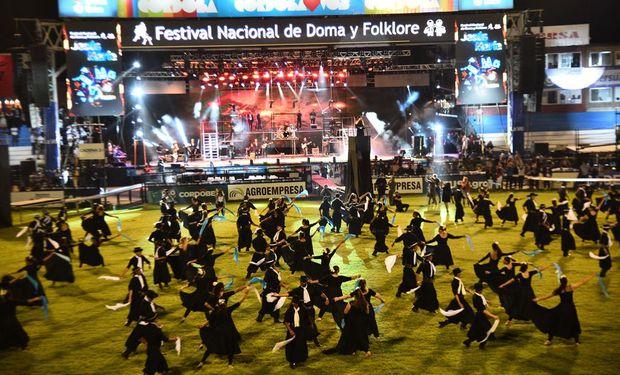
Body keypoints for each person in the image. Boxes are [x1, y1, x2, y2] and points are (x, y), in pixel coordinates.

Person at [531, 273, 596, 346]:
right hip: (570, 308)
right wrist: (591, 276)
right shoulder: (570, 287)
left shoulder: (559, 290)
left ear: (560, 281)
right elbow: (582, 281)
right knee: (573, 322)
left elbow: (547, 296)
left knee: (554, 322)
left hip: (561, 308)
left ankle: (549, 340)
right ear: (566, 281)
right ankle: (577, 341)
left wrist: (537, 299)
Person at [197, 286, 250, 368]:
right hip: (228, 332)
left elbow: (210, 320)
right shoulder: (228, 310)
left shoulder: (215, 312)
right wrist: (246, 294)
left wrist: (203, 325)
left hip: (218, 332)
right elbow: (239, 303)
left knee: (211, 347)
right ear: (224, 305)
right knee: (231, 348)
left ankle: (201, 362)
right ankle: (230, 364)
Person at [463, 283, 499, 349]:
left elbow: (474, 293)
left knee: (478, 330)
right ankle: (482, 345)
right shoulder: (477, 298)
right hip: (480, 316)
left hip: (479, 316)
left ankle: (468, 341)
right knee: (487, 330)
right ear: (480, 289)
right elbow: (483, 310)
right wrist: (493, 316)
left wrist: (486, 301)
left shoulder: (477, 295)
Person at [283, 296, 309, 369]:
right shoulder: (289, 311)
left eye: (294, 303)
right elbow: (286, 322)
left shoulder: (303, 310)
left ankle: (300, 358)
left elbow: (307, 320)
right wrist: (290, 330)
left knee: (300, 345)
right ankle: (293, 361)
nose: (293, 304)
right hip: (292, 330)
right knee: (292, 346)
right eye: (293, 303)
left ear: (298, 303)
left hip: (301, 330)